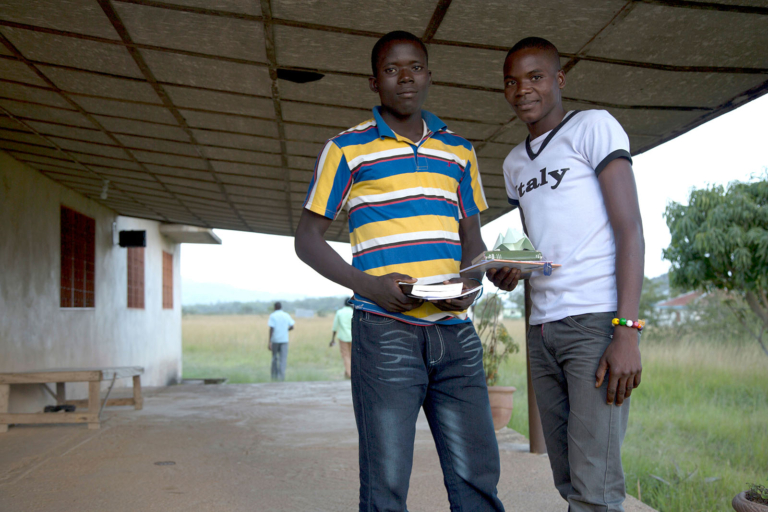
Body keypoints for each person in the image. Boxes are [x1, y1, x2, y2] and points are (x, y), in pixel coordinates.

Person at [295, 30, 505, 512]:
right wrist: (370, 286)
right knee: (387, 484)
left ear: (429, 75)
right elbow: (306, 240)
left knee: (477, 476)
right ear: (374, 83)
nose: (405, 77)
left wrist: (469, 287)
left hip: (455, 333)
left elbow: (472, 241)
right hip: (384, 331)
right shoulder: (346, 150)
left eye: (415, 67)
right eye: (392, 69)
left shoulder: (460, 151)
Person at [489, 37, 644, 512]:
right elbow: (541, 248)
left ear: (559, 79)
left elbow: (630, 230)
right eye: (512, 82)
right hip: (543, 331)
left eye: (535, 77)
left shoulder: (592, 127)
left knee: (595, 487)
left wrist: (626, 331)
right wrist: (515, 268)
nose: (523, 90)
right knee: (569, 478)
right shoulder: (514, 164)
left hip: (594, 325)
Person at [267, 301, 295, 381]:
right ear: (281, 307)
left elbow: (271, 328)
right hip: (284, 340)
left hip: (275, 339)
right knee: (283, 359)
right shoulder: (286, 315)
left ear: (275, 307)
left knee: (275, 358)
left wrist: (269, 342)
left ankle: (274, 377)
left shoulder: (273, 316)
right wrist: (285, 330)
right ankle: (282, 377)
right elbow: (292, 326)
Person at [329, 297, 354, 378]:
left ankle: (349, 374)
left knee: (346, 355)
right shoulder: (353, 312)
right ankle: (348, 373)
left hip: (343, 337)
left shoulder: (339, 312)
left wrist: (332, 339)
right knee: (351, 355)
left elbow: (335, 327)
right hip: (353, 337)